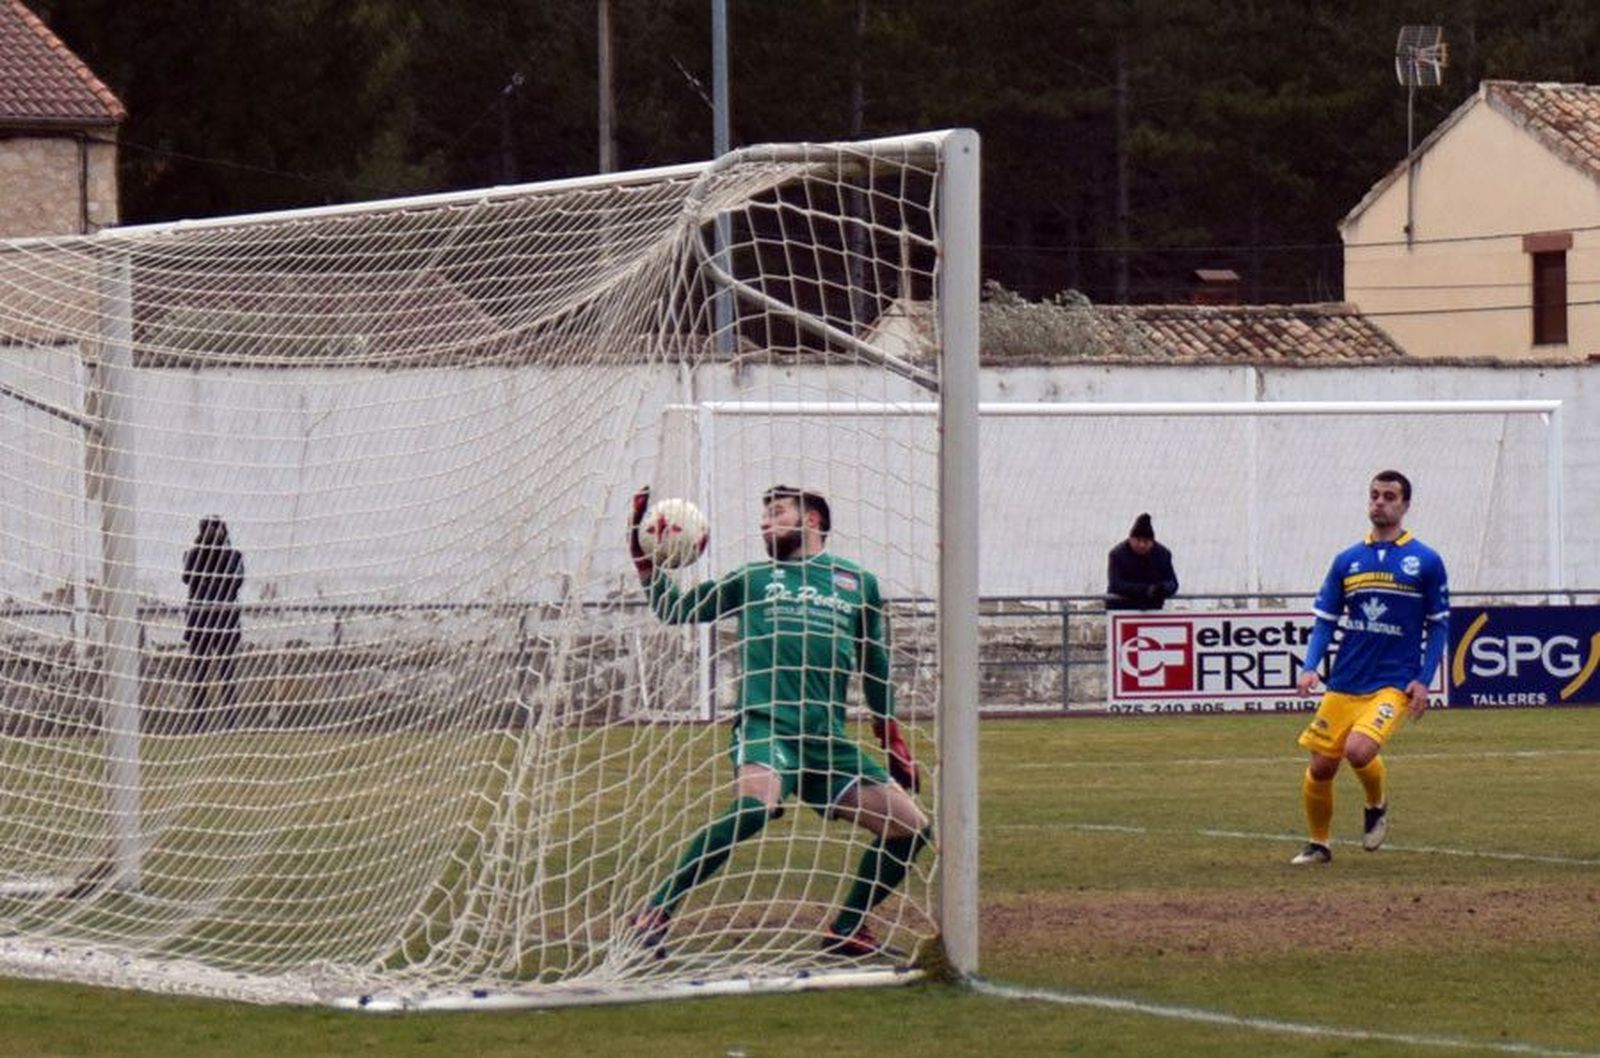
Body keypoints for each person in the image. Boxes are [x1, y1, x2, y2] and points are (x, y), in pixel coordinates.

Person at [626, 484, 930, 959]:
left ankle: (848, 928)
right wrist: (647, 565)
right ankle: (654, 913)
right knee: (754, 806)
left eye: (778, 511)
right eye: (763, 513)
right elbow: (675, 610)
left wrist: (890, 735)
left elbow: (875, 663)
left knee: (910, 827)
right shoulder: (751, 578)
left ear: (812, 521)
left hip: (827, 743)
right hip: (767, 724)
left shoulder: (858, 583)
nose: (766, 521)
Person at [1290, 470, 1449, 865]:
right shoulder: (1348, 560)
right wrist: (1311, 666)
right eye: (1375, 495)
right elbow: (1326, 619)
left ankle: (1376, 803)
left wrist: (1423, 680)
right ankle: (1319, 844)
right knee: (1322, 765)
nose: (1380, 502)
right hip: (1345, 680)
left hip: (1392, 682)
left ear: (1405, 505)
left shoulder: (1426, 561)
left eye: (1389, 496)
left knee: (1358, 750)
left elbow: (1439, 624)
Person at [182, 515, 245, 731]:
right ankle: (200, 721)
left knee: (227, 673)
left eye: (217, 529)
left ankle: (230, 721)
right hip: (201, 620)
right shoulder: (193, 555)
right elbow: (189, 576)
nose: (214, 534)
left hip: (224, 620)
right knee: (200, 674)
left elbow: (235, 581)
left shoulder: (234, 556)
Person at [1105, 512, 1179, 610]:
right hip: (1122, 609)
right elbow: (1116, 584)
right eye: (1138, 540)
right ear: (1131, 539)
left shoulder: (1163, 554)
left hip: (1152, 610)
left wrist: (1161, 589)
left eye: (1146, 541)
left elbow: (1173, 583)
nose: (1142, 545)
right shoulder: (1117, 554)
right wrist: (1145, 590)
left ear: (1152, 542)